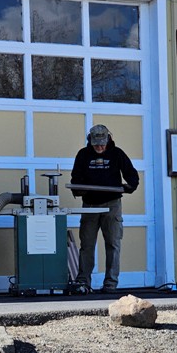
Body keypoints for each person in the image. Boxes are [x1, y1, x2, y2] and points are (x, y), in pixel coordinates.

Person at [70, 124, 139, 295]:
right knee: (86, 245)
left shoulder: (117, 154)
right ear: (90, 142)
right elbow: (75, 178)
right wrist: (79, 189)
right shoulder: (83, 155)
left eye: (102, 144)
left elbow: (132, 175)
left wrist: (130, 186)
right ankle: (83, 282)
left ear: (109, 139)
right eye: (96, 144)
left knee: (113, 244)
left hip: (112, 204)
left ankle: (110, 284)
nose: (99, 147)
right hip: (90, 205)